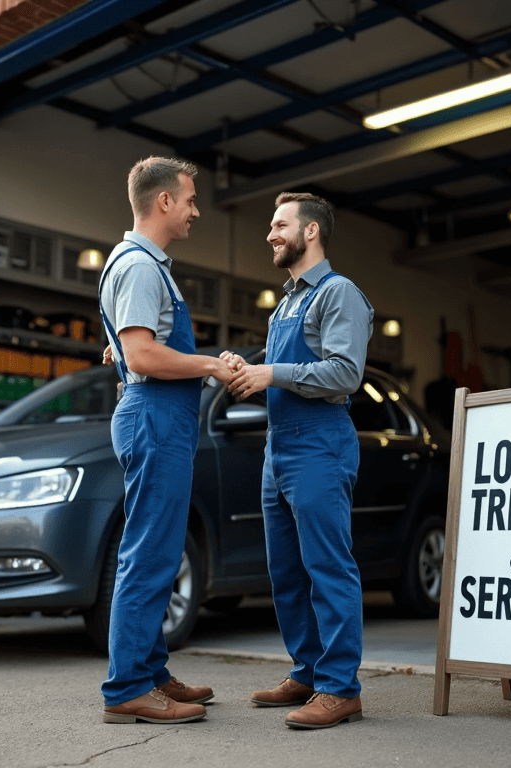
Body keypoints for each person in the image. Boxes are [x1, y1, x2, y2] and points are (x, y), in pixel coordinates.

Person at [222, 191, 374, 730]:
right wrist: (246, 369)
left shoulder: (339, 294)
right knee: (286, 570)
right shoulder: (286, 301)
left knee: (328, 567)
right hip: (279, 447)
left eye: (280, 224)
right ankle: (308, 670)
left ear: (310, 232)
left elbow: (344, 374)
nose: (270, 234)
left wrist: (272, 373)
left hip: (320, 444)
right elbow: (280, 375)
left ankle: (340, 688)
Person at [96, 156, 234, 724]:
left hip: (158, 417)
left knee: (158, 547)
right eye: (191, 199)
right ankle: (128, 686)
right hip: (155, 418)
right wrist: (211, 365)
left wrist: (126, 352)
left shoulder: (144, 265)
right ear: (164, 202)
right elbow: (141, 353)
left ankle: (151, 671)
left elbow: (126, 347)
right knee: (150, 553)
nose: (197, 210)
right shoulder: (140, 267)